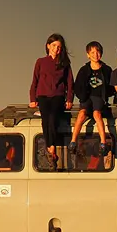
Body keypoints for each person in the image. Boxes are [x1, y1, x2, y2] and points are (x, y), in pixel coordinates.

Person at [29, 33, 73, 167]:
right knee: (45, 119)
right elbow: (35, 80)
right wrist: (32, 98)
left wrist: (69, 99)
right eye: (54, 45)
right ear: (48, 46)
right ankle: (51, 147)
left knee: (53, 117)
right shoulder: (40, 61)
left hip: (58, 96)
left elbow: (70, 82)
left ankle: (50, 147)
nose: (56, 49)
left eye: (59, 47)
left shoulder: (65, 64)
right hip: (42, 95)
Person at [69, 41, 113, 157]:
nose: (95, 54)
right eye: (92, 52)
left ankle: (103, 142)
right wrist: (81, 97)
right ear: (88, 54)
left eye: (98, 51)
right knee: (82, 113)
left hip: (99, 97)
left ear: (101, 53)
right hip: (86, 98)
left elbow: (112, 85)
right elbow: (77, 86)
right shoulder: (84, 70)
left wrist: (107, 95)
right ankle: (73, 141)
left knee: (97, 114)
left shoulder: (107, 69)